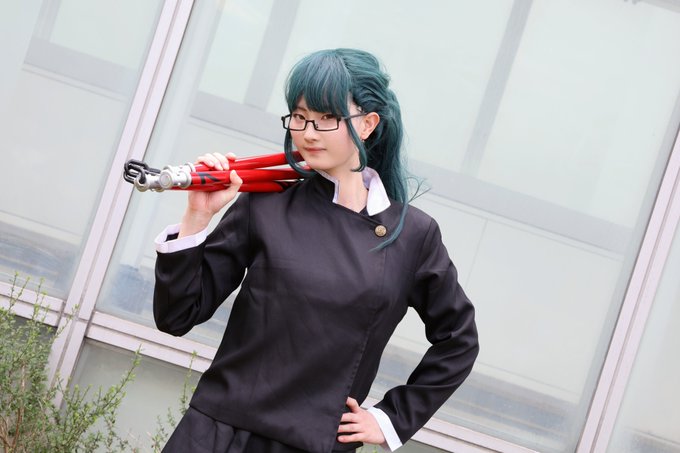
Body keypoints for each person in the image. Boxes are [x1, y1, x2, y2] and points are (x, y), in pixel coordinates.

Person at [154, 48, 479, 453]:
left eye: (327, 118)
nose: (308, 132)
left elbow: (459, 340)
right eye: (299, 115)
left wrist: (389, 419)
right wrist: (197, 217)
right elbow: (176, 316)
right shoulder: (265, 203)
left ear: (368, 124)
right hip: (216, 436)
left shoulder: (412, 234)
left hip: (313, 445)